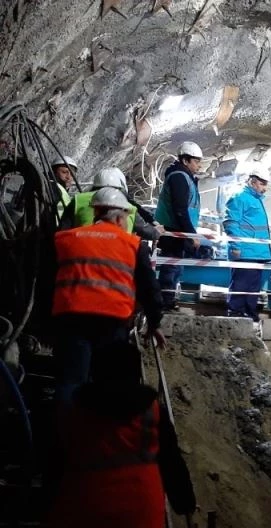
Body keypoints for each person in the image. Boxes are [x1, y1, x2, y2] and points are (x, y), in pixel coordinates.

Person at [49, 342, 196, 528]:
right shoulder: (153, 413)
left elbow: (55, 464)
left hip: (84, 520)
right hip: (138, 524)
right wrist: (183, 502)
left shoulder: (73, 412)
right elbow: (171, 462)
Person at [52, 187, 165, 408]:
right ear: (121, 217)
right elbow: (149, 287)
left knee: (71, 382)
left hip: (71, 320)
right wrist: (155, 322)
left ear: (96, 213)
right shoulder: (132, 245)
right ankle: (100, 435)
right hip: (112, 323)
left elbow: (48, 276)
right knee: (108, 384)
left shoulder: (65, 239)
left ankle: (64, 434)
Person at [155, 141, 203, 310]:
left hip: (178, 230)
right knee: (171, 267)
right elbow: (180, 209)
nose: (199, 165)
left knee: (176, 267)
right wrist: (192, 234)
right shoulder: (179, 177)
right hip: (172, 230)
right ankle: (164, 302)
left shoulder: (185, 177)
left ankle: (168, 300)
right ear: (185, 161)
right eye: (196, 161)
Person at [223, 167, 271, 322]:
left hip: (257, 253)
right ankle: (236, 314)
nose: (265, 188)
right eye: (262, 184)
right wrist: (236, 246)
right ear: (253, 181)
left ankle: (250, 315)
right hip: (245, 252)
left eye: (266, 184)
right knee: (240, 286)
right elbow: (231, 223)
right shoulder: (240, 197)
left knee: (252, 288)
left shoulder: (256, 200)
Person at [61, 167, 162, 241]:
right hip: (118, 259)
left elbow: (63, 230)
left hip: (81, 257)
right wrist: (157, 232)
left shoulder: (78, 199)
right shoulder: (128, 207)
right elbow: (148, 232)